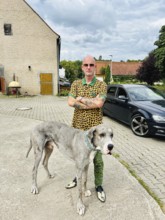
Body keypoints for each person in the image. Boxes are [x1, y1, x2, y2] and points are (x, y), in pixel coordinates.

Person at [66, 55, 107, 202]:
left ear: (95, 67)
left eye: (91, 65)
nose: (89, 67)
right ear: (82, 67)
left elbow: (99, 104)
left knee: (97, 160)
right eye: (86, 65)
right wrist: (91, 101)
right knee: (79, 157)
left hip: (95, 131)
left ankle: (98, 185)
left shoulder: (101, 85)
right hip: (77, 128)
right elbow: (70, 102)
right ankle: (78, 180)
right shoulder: (76, 84)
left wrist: (81, 99)